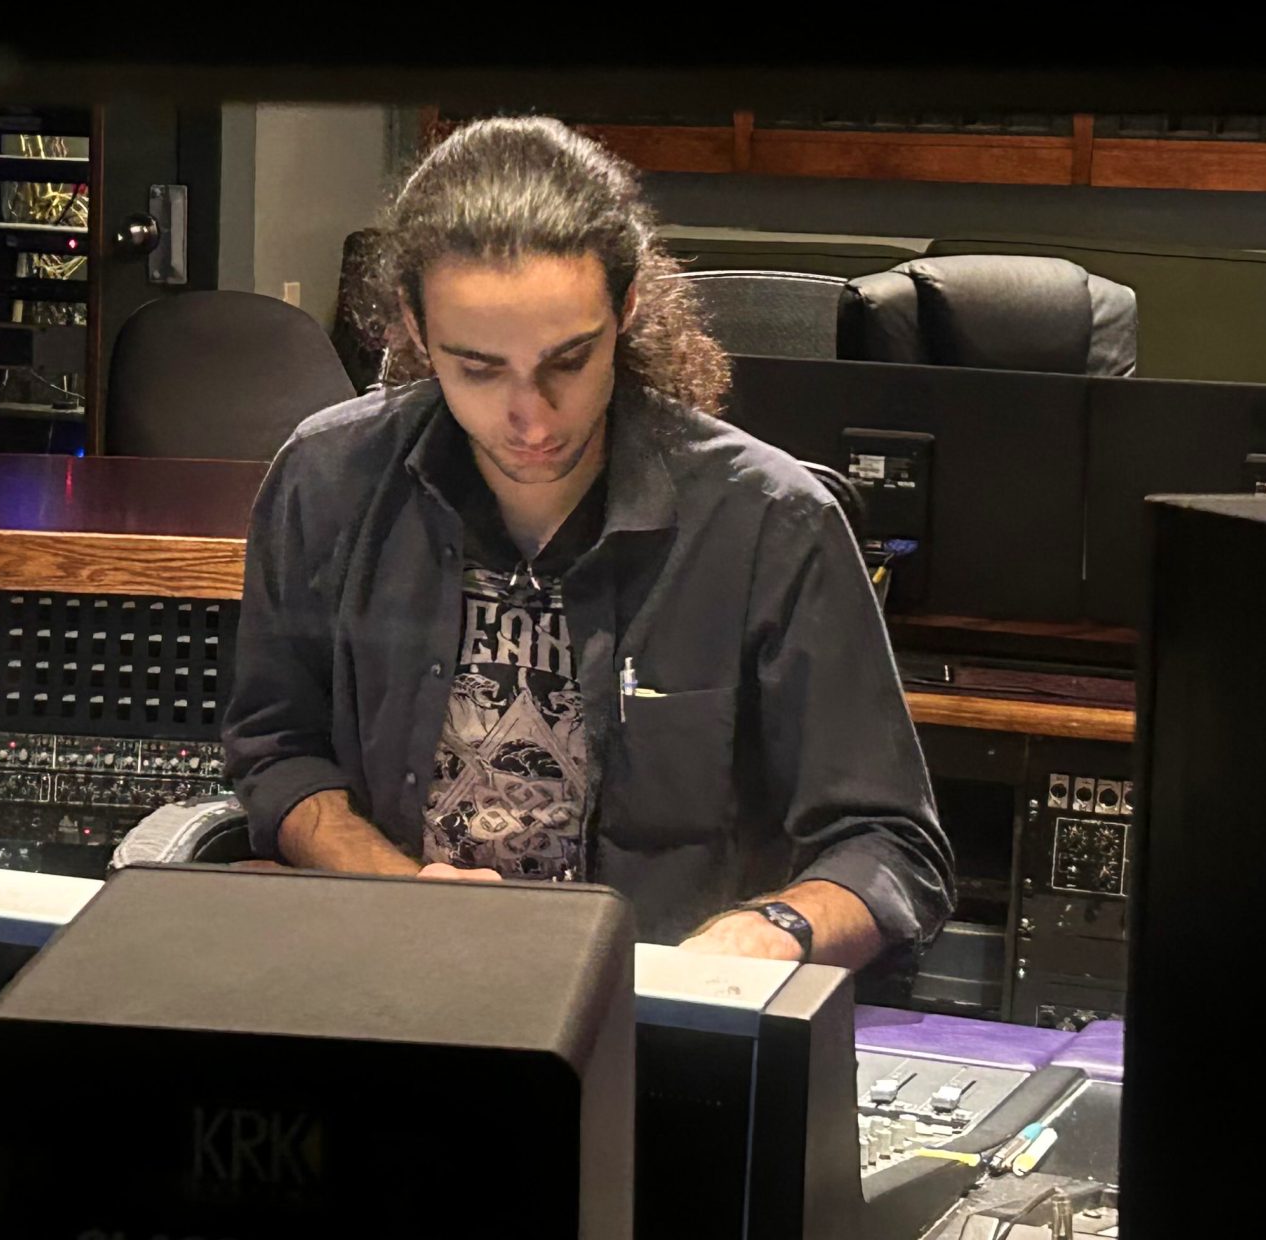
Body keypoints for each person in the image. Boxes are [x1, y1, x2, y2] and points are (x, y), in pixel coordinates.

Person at [222, 116, 951, 968]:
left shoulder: (770, 521)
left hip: (651, 1026)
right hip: (395, 983)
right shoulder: (326, 479)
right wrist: (394, 885)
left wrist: (771, 931)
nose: (531, 418)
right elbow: (279, 751)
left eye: (568, 360)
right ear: (416, 331)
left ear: (627, 305)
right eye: (479, 369)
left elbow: (891, 845)